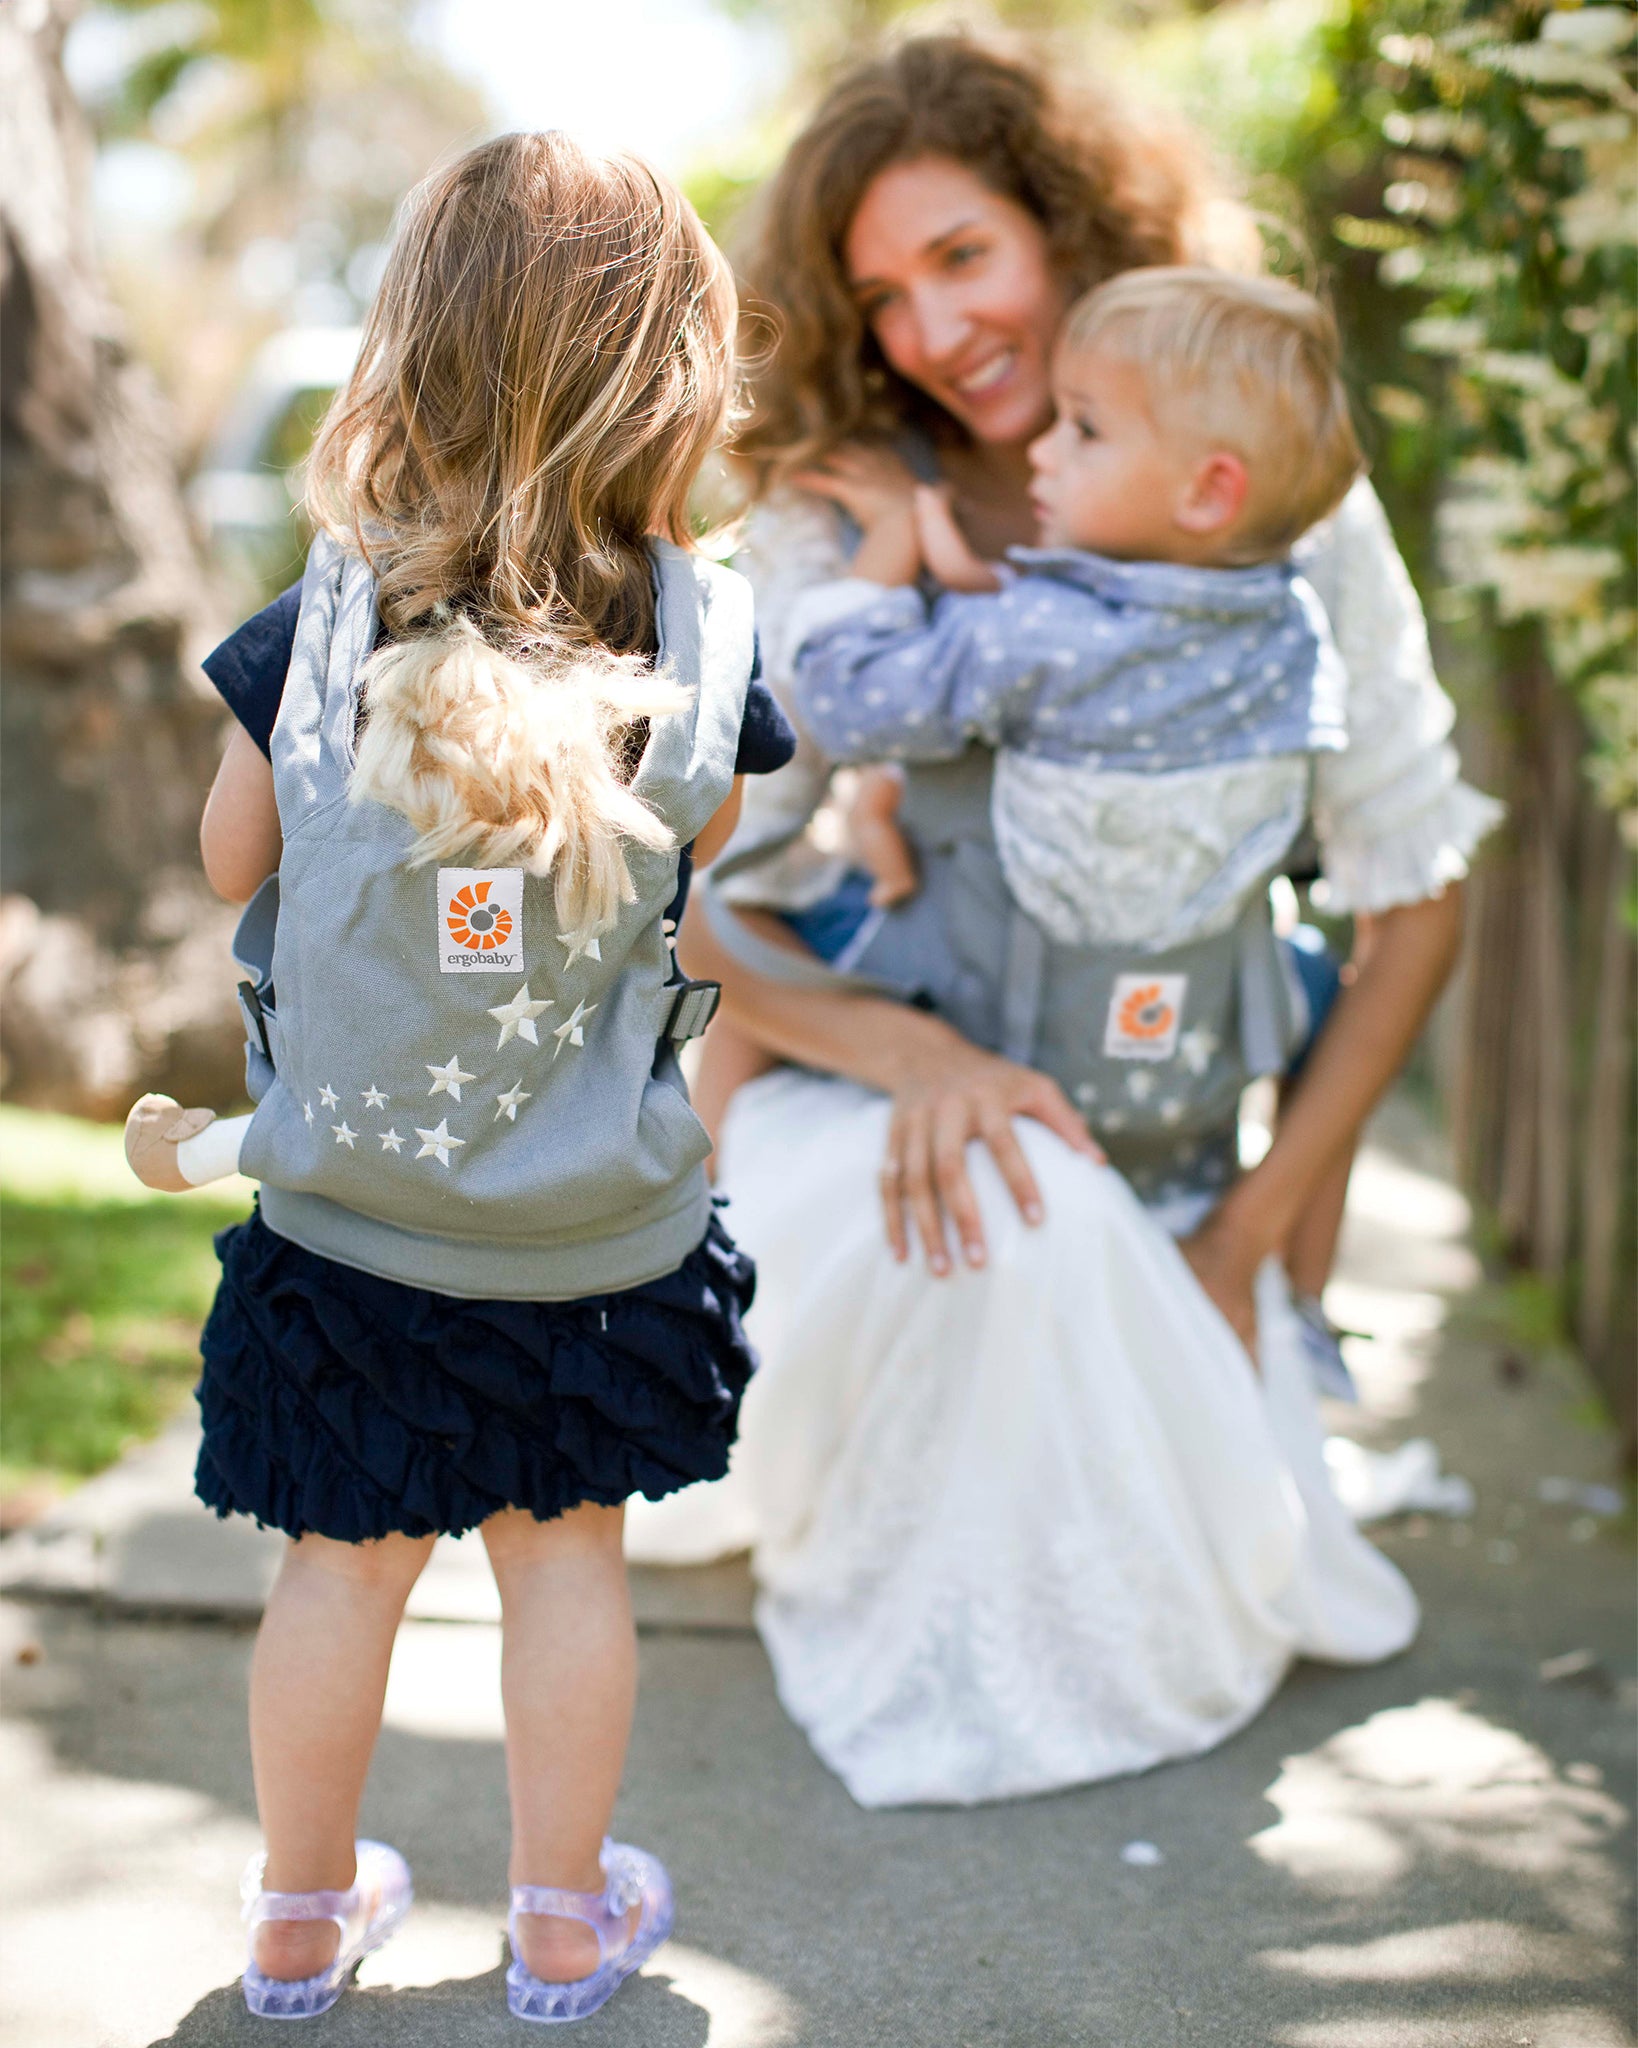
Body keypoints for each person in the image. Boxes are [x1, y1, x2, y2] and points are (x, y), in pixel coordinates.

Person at [626, 36, 1502, 1809]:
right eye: (883, 294)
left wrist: (1250, 1238)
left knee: (1109, 1315)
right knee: (1001, 1214)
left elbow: (1412, 902)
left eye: (963, 257)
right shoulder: (839, 526)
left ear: (1074, 226)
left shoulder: (1256, 499)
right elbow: (674, 897)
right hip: (869, 1092)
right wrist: (913, 1053)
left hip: (1168, 1149)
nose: (931, 330)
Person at [125, 132, 797, 2021]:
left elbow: (227, 865)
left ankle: (293, 1915)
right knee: (563, 1568)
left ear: (401, 356)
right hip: (592, 1231)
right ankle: (565, 1920)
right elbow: (701, 843)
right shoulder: (695, 637)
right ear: (672, 367)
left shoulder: (324, 629)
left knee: (341, 1576)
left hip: (353, 1219)